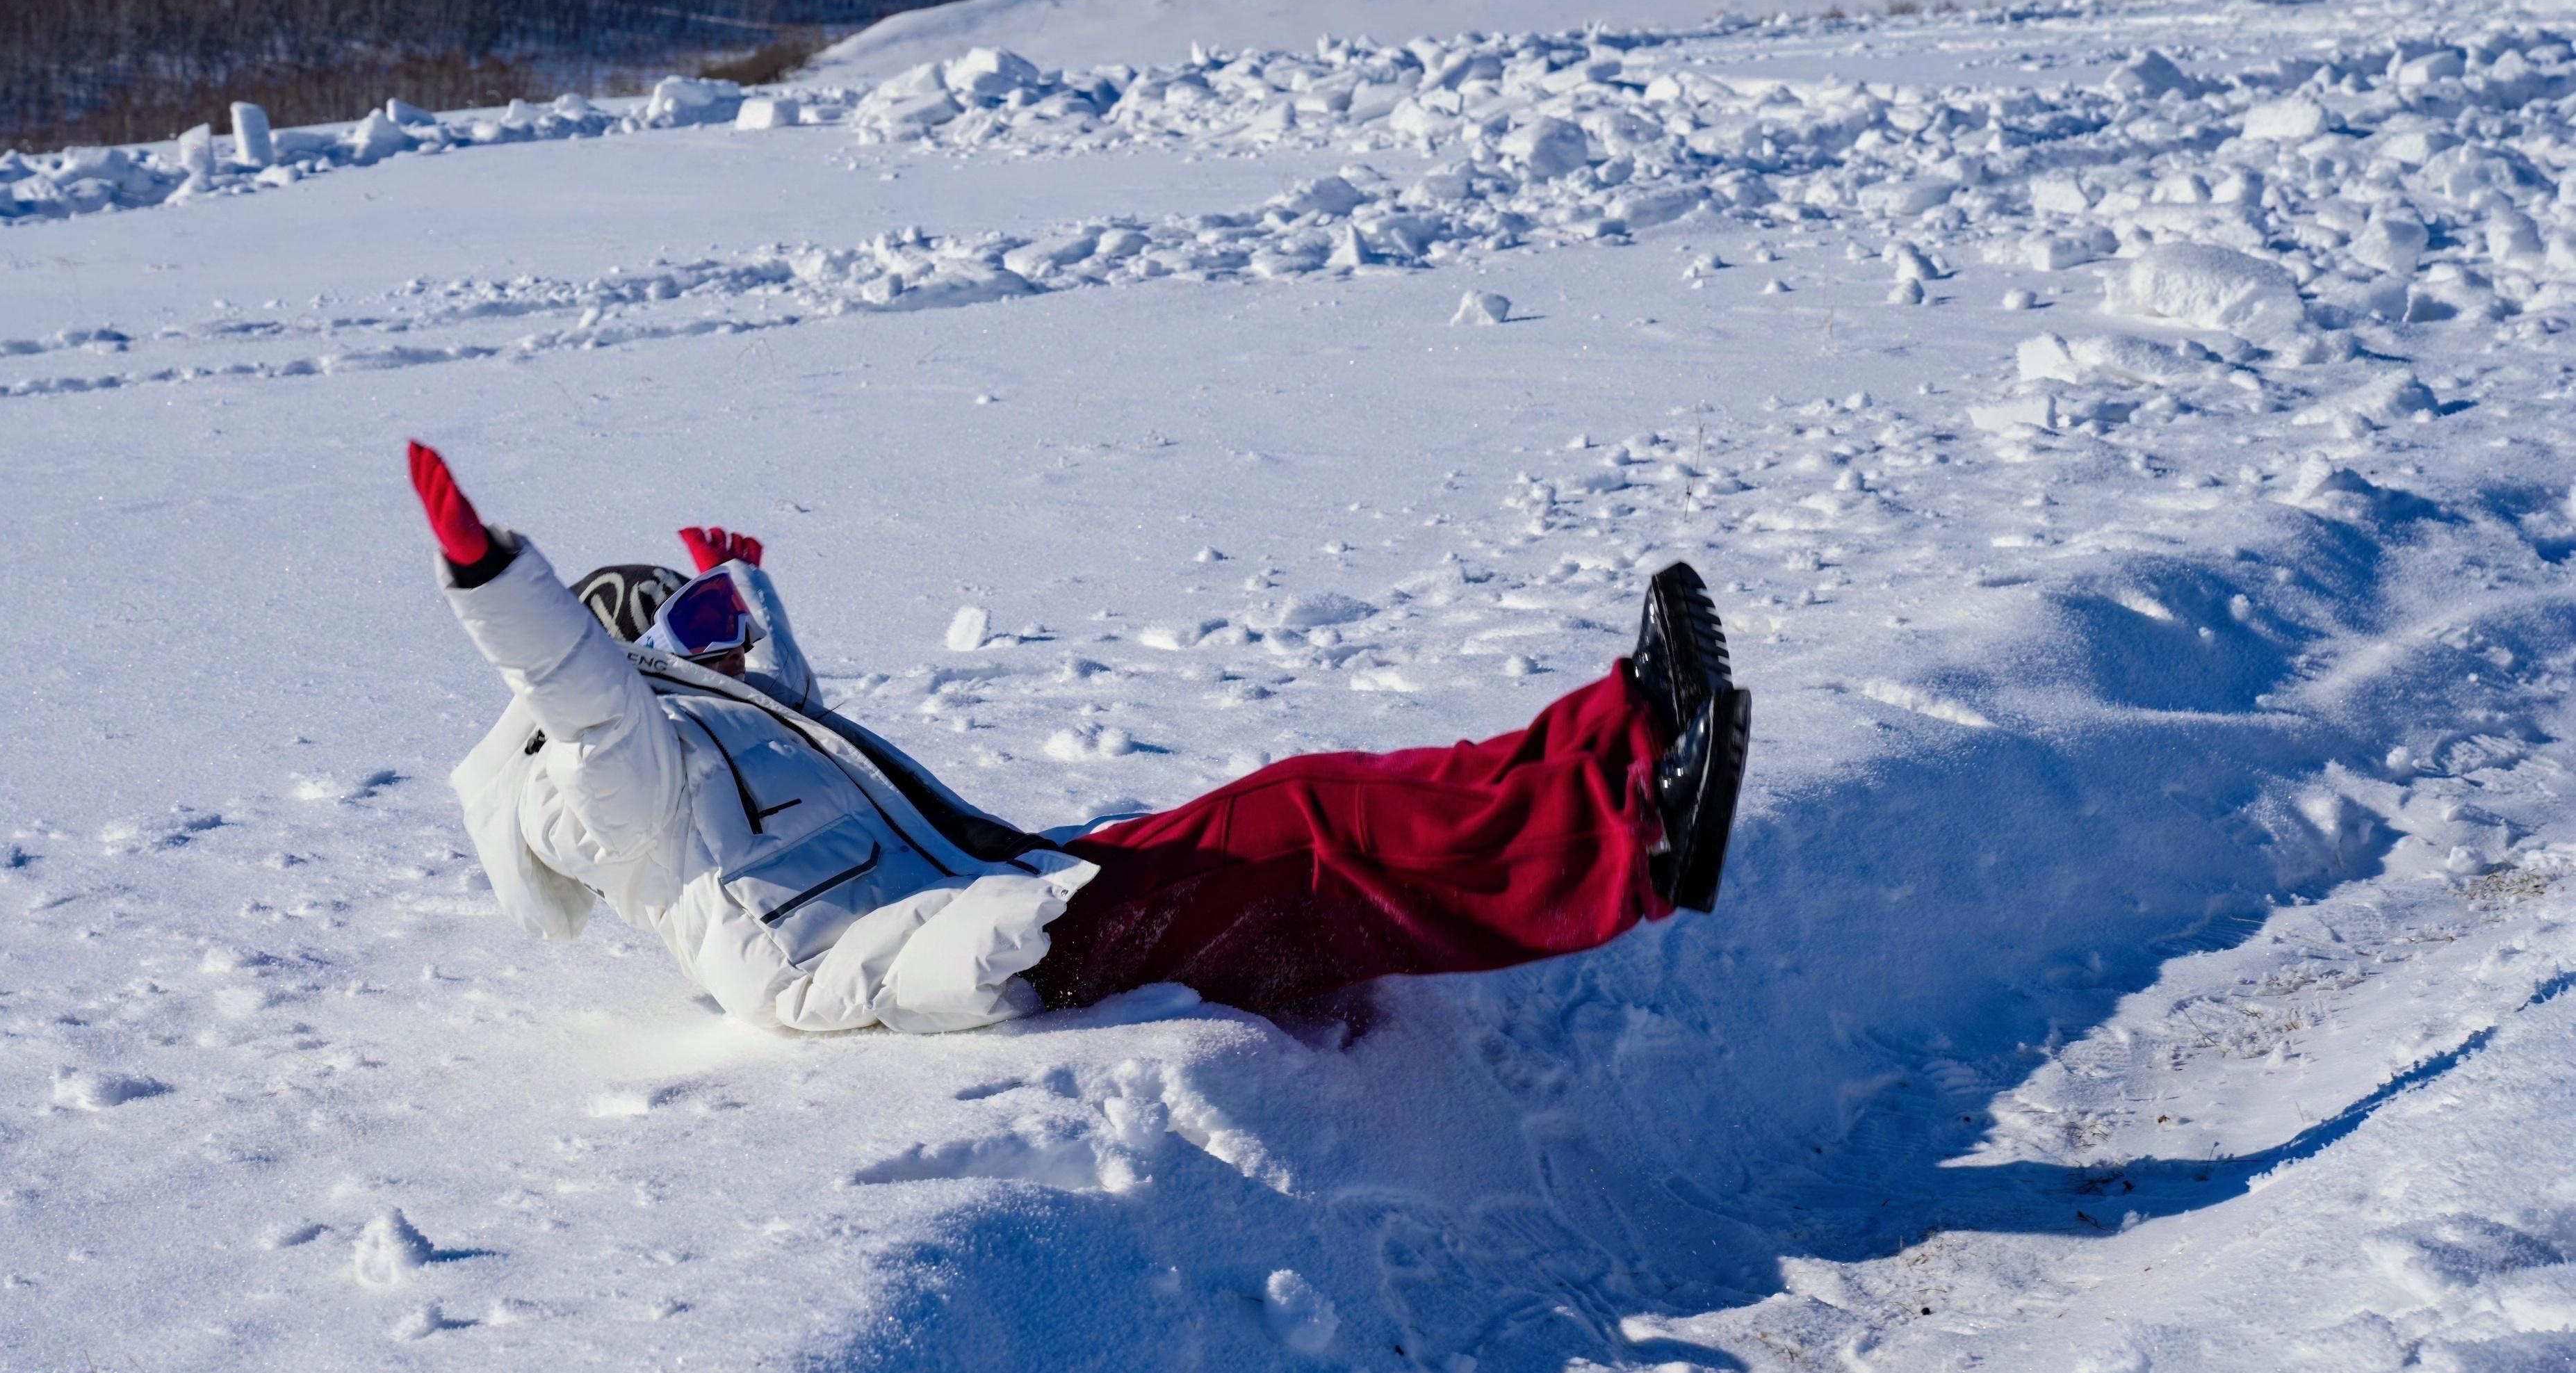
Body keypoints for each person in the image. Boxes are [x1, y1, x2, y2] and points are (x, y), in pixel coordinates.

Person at [407, 441, 1749, 1035]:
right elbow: (582, 694)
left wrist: (748, 597)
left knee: (1294, 794)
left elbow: (800, 722)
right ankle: (1638, 843)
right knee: (1314, 831)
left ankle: (1620, 736)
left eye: (700, 621)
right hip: (990, 958)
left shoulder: (712, 764)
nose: (705, 646)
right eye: (674, 634)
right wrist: (491, 579)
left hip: (1003, 881)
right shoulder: (622, 786)